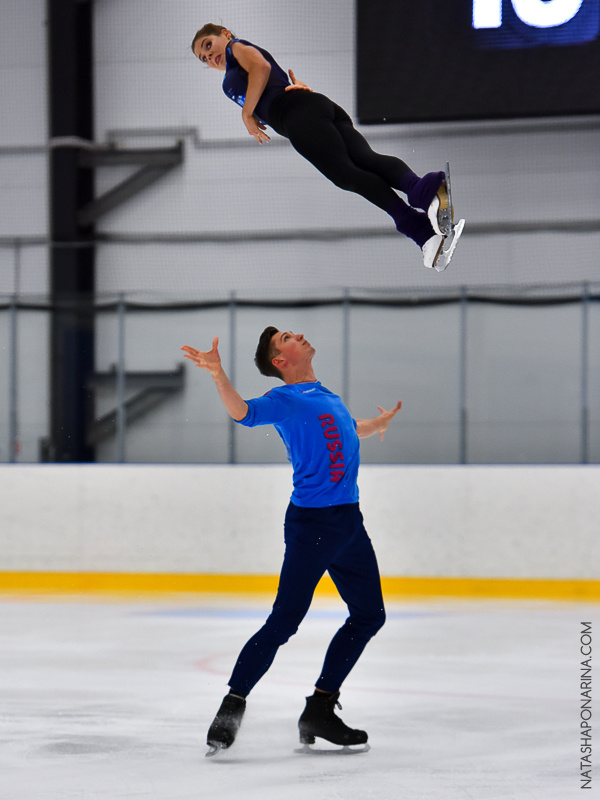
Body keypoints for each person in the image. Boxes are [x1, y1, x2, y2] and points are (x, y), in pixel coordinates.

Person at [181, 328, 402, 754]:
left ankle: (319, 709)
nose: (297, 334)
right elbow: (242, 412)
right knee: (285, 621)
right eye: (286, 337)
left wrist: (379, 424)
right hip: (313, 526)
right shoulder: (283, 400)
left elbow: (349, 430)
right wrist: (218, 374)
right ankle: (232, 704)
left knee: (369, 616)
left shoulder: (327, 397)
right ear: (279, 361)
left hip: (348, 523)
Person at [190, 24, 463, 271]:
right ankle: (427, 190)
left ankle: (415, 225)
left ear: (225, 34)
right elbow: (268, 80)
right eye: (203, 59)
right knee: (365, 160)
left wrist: (246, 114)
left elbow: (261, 68)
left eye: (207, 45)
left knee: (346, 174)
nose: (208, 56)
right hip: (313, 107)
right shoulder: (232, 73)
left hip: (298, 115)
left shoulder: (236, 47)